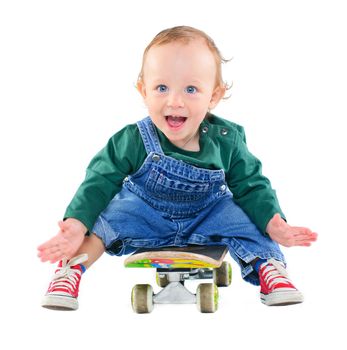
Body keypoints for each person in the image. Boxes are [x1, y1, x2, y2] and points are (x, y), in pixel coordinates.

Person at [37, 25, 317, 310]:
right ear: (143, 91)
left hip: (207, 213)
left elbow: (251, 185)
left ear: (214, 96)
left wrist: (274, 222)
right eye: (161, 88)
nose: (175, 101)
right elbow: (98, 182)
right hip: (145, 212)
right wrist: (74, 224)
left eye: (191, 89)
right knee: (98, 222)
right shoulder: (133, 139)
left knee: (250, 219)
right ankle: (70, 270)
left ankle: (269, 267)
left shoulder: (226, 140)